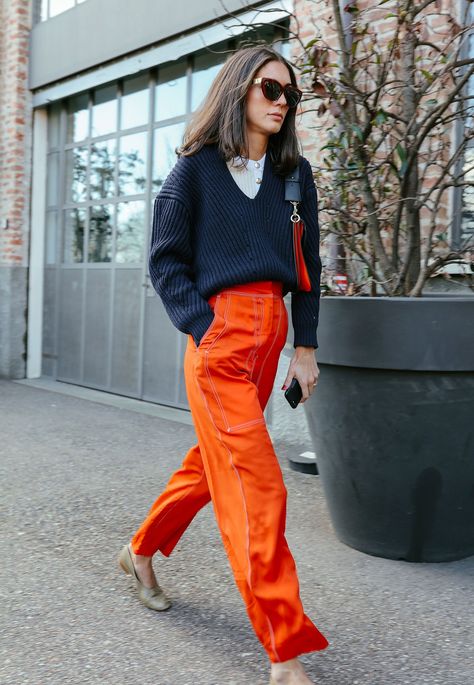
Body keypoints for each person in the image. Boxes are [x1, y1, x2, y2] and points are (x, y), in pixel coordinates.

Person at [118, 45, 329, 685]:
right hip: (220, 340)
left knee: (213, 467)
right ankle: (283, 651)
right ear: (238, 90)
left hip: (272, 340)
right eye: (269, 87)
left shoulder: (296, 176)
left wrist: (306, 346)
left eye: (289, 93)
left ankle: (139, 551)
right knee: (258, 485)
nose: (280, 100)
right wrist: (203, 326)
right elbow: (164, 259)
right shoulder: (196, 171)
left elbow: (309, 268)